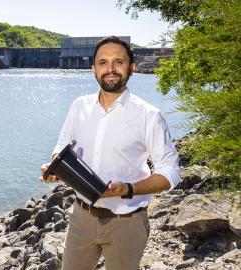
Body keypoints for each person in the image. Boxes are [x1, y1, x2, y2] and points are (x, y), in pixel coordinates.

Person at [40, 36, 180, 270]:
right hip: (81, 219)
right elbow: (61, 149)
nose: (111, 69)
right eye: (103, 62)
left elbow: (170, 173)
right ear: (93, 68)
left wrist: (128, 189)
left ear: (132, 68)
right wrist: (54, 168)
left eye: (119, 62)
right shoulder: (79, 106)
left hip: (127, 223)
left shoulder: (149, 115)